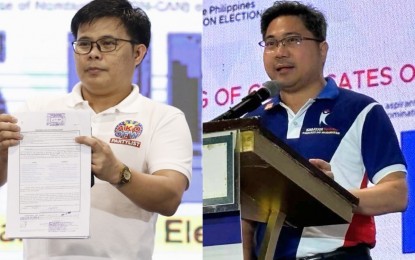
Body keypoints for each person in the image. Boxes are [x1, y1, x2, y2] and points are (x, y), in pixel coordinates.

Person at [0, 0, 193, 259]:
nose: (93, 53)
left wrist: (117, 172)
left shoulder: (163, 118)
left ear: (138, 53)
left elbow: (170, 197)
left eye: (108, 43)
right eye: (84, 44)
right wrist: (2, 153)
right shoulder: (36, 110)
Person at [242, 1, 408, 259]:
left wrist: (327, 195)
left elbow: (397, 194)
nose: (279, 52)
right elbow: (245, 216)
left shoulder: (361, 110)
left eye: (292, 40)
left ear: (322, 49)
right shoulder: (253, 121)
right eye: (271, 43)